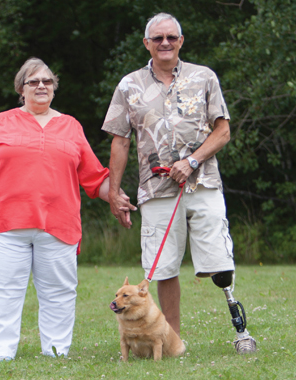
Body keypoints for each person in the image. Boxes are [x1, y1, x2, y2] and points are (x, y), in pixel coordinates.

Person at [102, 13, 256, 353]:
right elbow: (120, 141)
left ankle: (241, 329)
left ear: (181, 41)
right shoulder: (129, 85)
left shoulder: (204, 77)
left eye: (171, 37)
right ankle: (171, 343)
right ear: (147, 43)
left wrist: (192, 161)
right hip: (155, 190)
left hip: (203, 183)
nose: (165, 43)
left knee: (219, 260)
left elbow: (223, 131)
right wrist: (113, 192)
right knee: (163, 266)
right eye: (158, 38)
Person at [0, 57, 132, 361]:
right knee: (3, 293)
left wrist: (117, 197)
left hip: (59, 226)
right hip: (5, 225)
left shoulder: (70, 126)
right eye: (34, 81)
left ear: (54, 88)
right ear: (21, 88)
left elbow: (95, 177)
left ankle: (56, 352)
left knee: (59, 293)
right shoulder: (2, 122)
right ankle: (1, 355)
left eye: (47, 81)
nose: (41, 86)